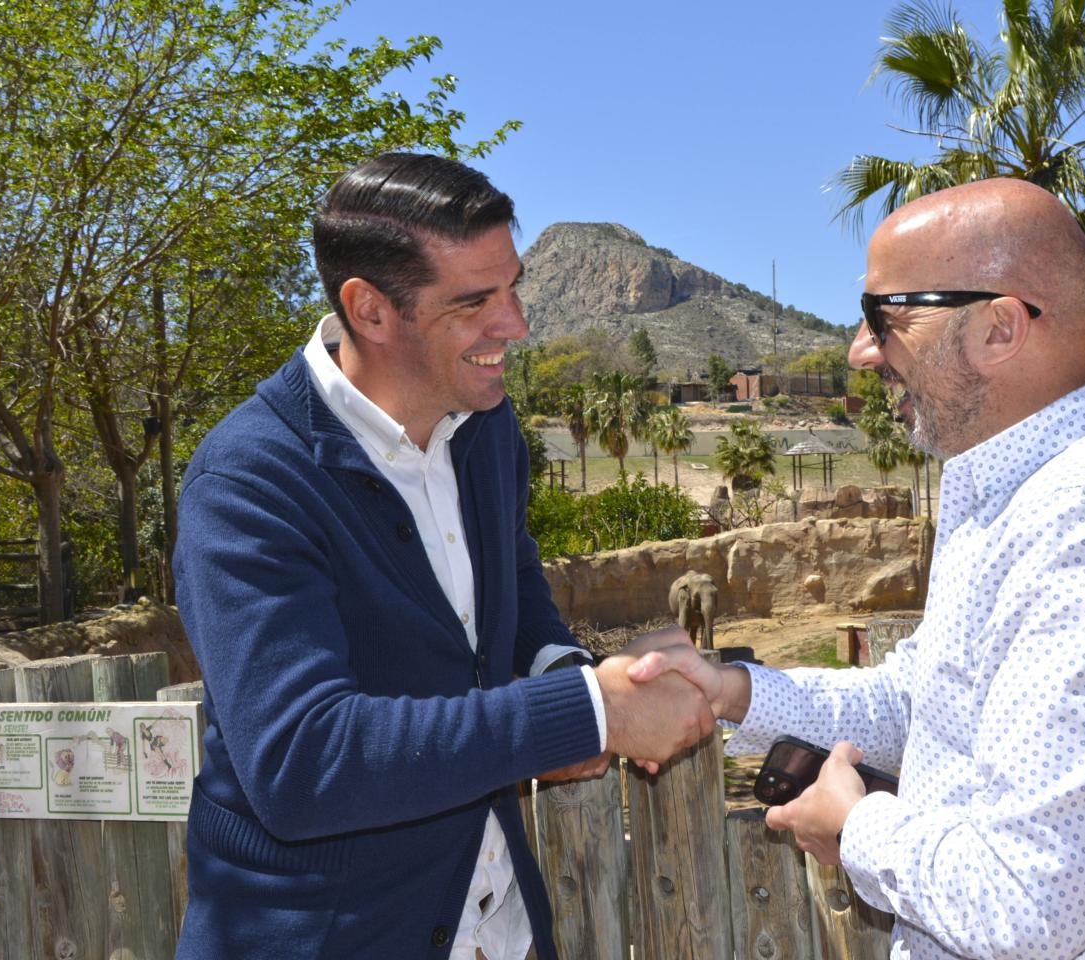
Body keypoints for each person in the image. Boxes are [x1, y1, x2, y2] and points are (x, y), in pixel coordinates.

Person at [632, 178, 1085, 959]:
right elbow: (923, 702)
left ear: (999, 328)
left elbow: (1026, 905)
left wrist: (856, 828)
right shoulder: (1022, 500)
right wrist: (734, 691)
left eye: (886, 317)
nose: (862, 350)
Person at [172, 153, 714, 960]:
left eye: (513, 287)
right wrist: (592, 714)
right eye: (474, 303)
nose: (517, 324)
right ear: (370, 309)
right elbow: (300, 761)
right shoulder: (248, 481)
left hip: (498, 924)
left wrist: (567, 678)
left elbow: (511, 587)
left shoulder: (485, 423)